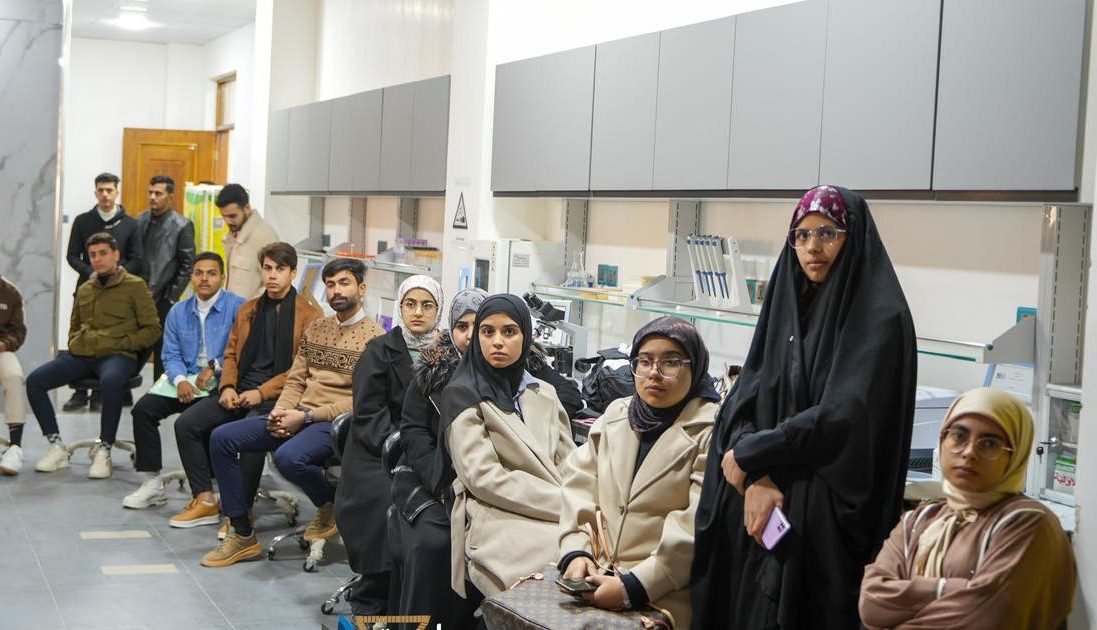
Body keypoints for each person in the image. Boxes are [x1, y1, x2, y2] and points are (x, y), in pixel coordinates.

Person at [691, 185, 918, 629]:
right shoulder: (789, 306)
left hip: (826, 530)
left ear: (853, 237)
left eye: (828, 233)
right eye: (802, 235)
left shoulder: (881, 318)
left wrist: (753, 453)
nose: (813, 247)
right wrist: (757, 477)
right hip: (766, 506)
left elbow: (843, 416)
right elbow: (745, 396)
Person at [200, 257, 384, 567]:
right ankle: (242, 534)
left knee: (287, 457)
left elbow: (361, 401)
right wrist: (281, 411)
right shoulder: (317, 328)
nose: (336, 291)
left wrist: (306, 417)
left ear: (361, 289)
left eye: (344, 283)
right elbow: (296, 379)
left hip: (335, 423)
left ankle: (329, 505)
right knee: (222, 439)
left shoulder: (375, 340)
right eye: (330, 284)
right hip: (297, 413)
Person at [859, 387, 1076, 629]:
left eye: (989, 444)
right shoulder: (919, 520)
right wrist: (948, 589)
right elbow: (871, 603)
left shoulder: (1029, 524)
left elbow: (989, 618)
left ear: (1016, 455)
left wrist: (906, 600)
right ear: (942, 440)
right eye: (959, 436)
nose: (969, 452)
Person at [558, 317, 719, 628]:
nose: (654, 373)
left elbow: (695, 527)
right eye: (644, 362)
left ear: (696, 366)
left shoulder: (711, 431)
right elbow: (580, 485)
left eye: (670, 362)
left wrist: (633, 587)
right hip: (597, 572)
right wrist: (576, 553)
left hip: (664, 593)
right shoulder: (618, 414)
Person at [168, 242, 322, 531]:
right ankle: (204, 499)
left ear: (292, 273)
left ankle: (240, 512)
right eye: (267, 268)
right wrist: (227, 386)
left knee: (249, 438)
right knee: (186, 424)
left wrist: (261, 393)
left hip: (277, 398)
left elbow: (300, 371)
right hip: (238, 391)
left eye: (280, 269)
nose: (272, 275)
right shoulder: (248, 309)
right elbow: (231, 353)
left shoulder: (310, 316)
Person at [442, 294, 577, 602]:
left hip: (556, 507)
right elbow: (484, 478)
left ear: (525, 336)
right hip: (495, 513)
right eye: (487, 332)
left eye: (509, 331)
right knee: (558, 568)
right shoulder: (462, 394)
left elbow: (569, 461)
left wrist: (580, 501)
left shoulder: (544, 392)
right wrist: (565, 504)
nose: (497, 342)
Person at [336, 275, 444, 615]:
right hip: (377, 452)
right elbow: (369, 415)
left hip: (425, 450)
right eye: (410, 304)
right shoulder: (379, 351)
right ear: (400, 307)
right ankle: (372, 595)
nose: (418, 312)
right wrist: (409, 450)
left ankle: (418, 596)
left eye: (427, 305)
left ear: (438, 311)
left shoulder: (444, 354)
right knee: (389, 501)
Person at [26, 232, 162, 478]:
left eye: (103, 253)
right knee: (35, 381)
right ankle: (56, 446)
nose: (97, 259)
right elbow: (74, 325)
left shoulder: (135, 286)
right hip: (83, 354)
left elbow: (152, 329)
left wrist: (125, 343)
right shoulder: (86, 288)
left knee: (111, 381)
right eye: (92, 255)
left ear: (116, 255)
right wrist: (75, 342)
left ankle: (104, 450)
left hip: (117, 355)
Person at [390, 288, 486, 629]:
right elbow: (414, 430)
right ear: (451, 329)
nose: (471, 336)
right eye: (462, 326)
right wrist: (437, 480)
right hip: (428, 478)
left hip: (482, 484)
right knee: (437, 543)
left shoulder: (509, 371)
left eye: (481, 327)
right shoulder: (431, 371)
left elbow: (566, 395)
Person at [121, 252, 246, 509]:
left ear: (223, 278)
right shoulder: (178, 311)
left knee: (191, 422)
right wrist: (179, 380)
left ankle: (207, 492)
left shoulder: (238, 307)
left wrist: (215, 367)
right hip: (186, 378)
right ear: (191, 277)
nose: (204, 279)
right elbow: (170, 354)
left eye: (211, 273)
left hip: (222, 381)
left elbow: (242, 350)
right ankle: (152, 483)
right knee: (143, 410)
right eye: (198, 273)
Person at [63, 172, 143, 412]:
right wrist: (91, 272)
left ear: (117, 192)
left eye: (109, 190)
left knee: (107, 338)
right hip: (87, 289)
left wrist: (116, 273)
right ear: (95, 192)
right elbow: (72, 255)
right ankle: (79, 391)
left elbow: (137, 259)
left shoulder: (131, 224)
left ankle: (100, 391)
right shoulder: (82, 221)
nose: (105, 194)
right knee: (81, 334)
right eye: (101, 190)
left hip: (119, 292)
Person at [136, 175, 196, 379]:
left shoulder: (182, 225)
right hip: (138, 294)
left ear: (170, 196)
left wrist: (171, 297)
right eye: (150, 192)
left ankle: (159, 391)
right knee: (134, 345)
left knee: (163, 350)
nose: (152, 197)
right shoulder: (140, 220)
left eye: (158, 193)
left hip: (163, 297)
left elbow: (187, 263)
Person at [216, 183, 279, 298]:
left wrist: (252, 306)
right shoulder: (231, 236)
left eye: (232, 216)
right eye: (224, 216)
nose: (227, 221)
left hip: (253, 309)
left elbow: (276, 283)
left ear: (247, 209)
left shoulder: (265, 236)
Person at [0, 274, 28, 475]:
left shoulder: (10, 293)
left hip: (1, 350)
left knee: (14, 376)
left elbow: (18, 332)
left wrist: (4, 344)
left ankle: (15, 447)